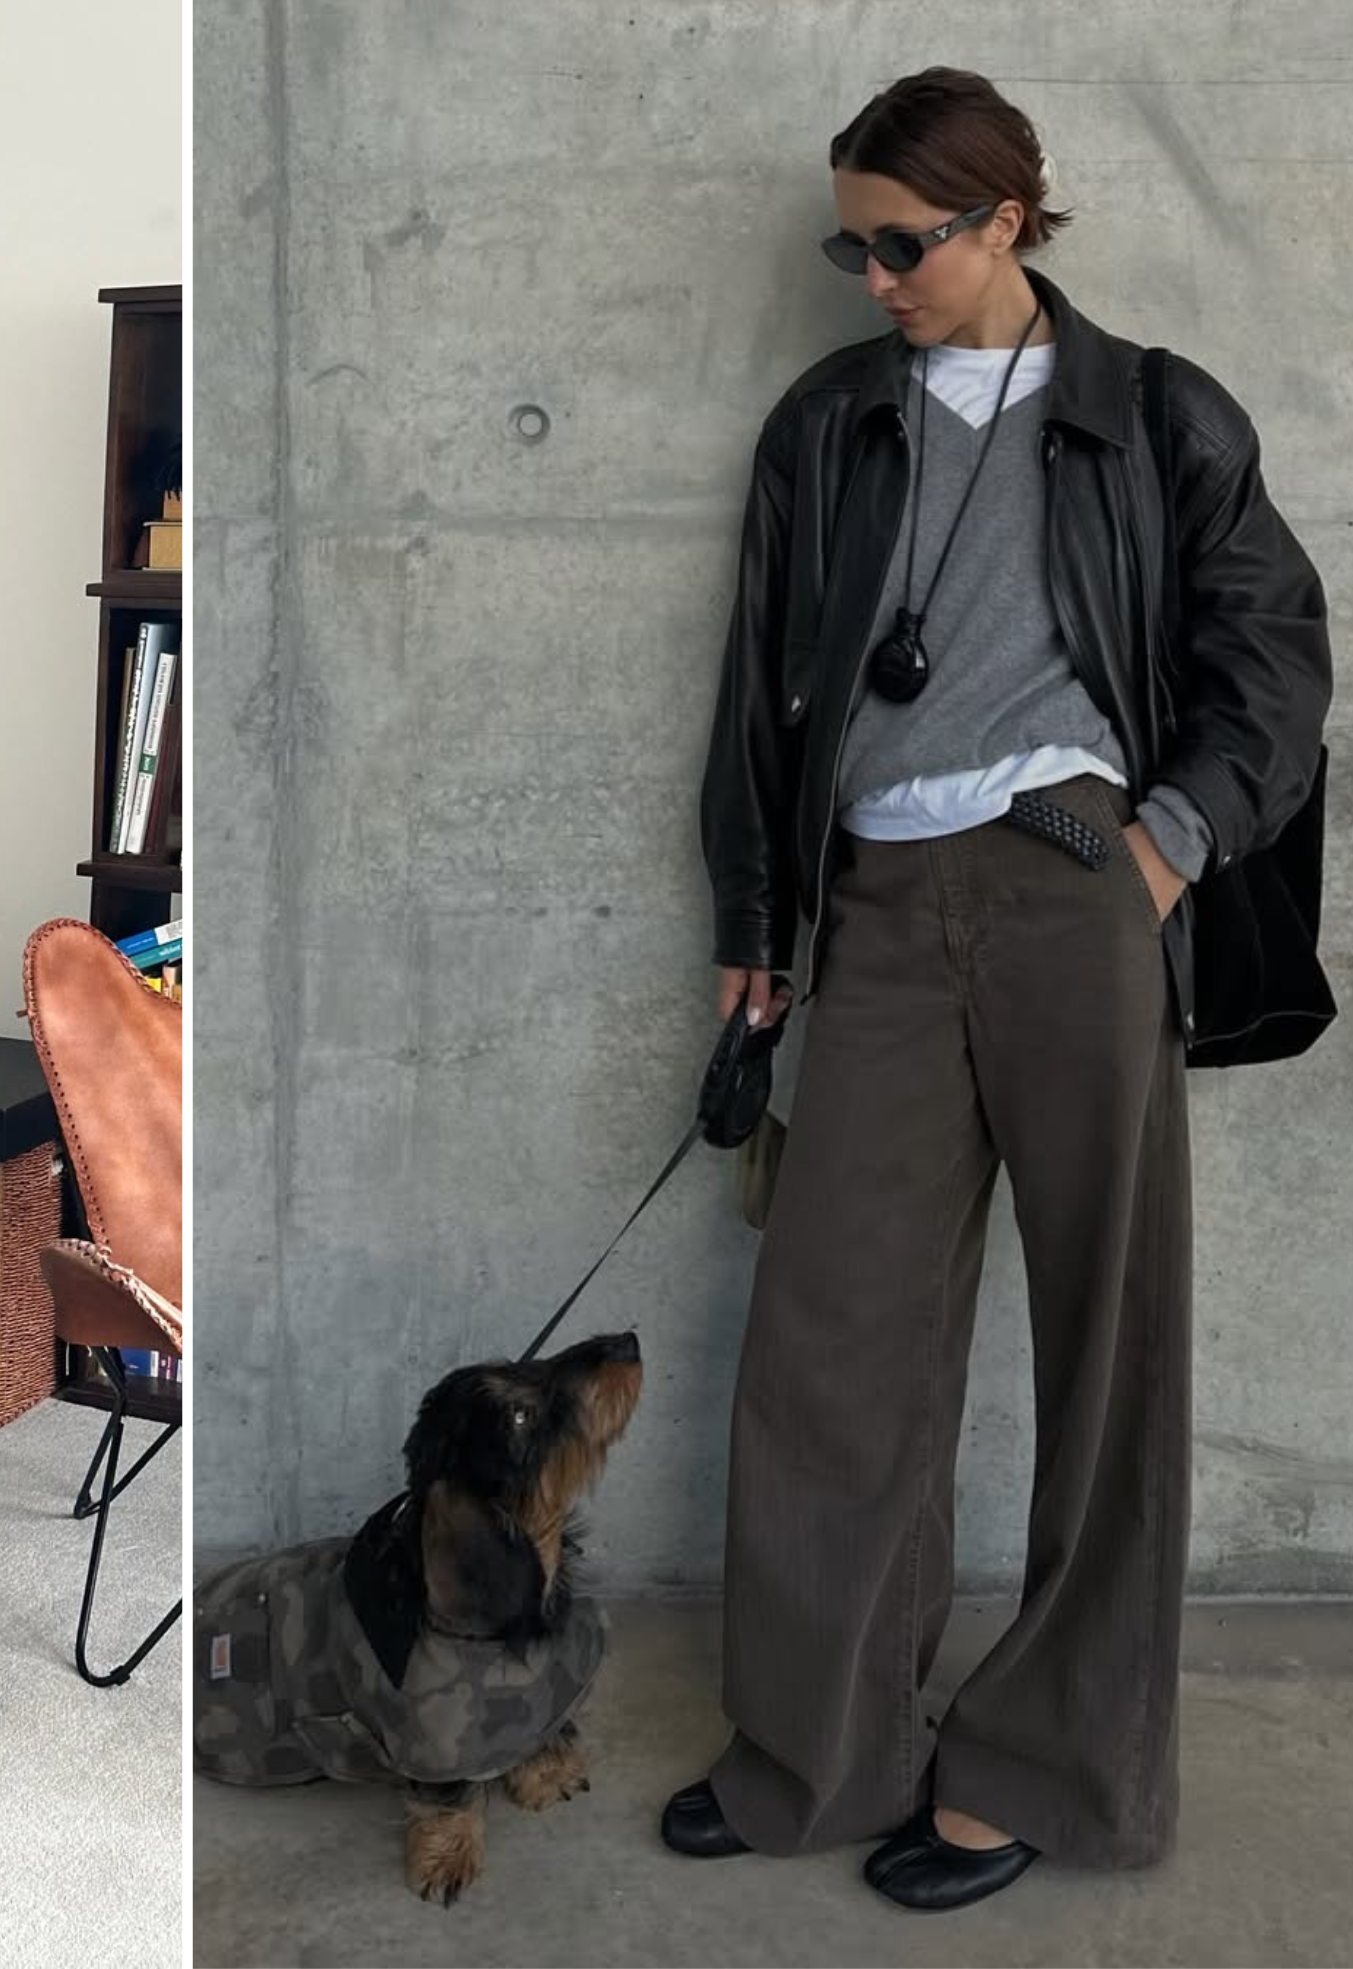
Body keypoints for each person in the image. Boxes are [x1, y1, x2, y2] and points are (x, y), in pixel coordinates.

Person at [681, 67, 1328, 1911]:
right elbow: (758, 688)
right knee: (832, 1341)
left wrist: (1166, 845)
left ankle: (1044, 1767)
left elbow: (1276, 658)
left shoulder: (1157, 414)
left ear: (1008, 218)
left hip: (1075, 892)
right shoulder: (830, 425)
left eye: (903, 245)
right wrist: (758, 919)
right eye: (853, 250)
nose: (874, 279)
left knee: (1108, 1351)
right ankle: (819, 1747)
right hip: (879, 906)